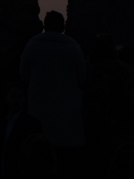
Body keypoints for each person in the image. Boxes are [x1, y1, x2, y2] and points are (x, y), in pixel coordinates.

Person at [18, 11, 86, 148]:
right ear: (62, 27)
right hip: (68, 109)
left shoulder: (32, 46)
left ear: (44, 25)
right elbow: (82, 79)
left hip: (37, 106)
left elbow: (23, 76)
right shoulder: (74, 48)